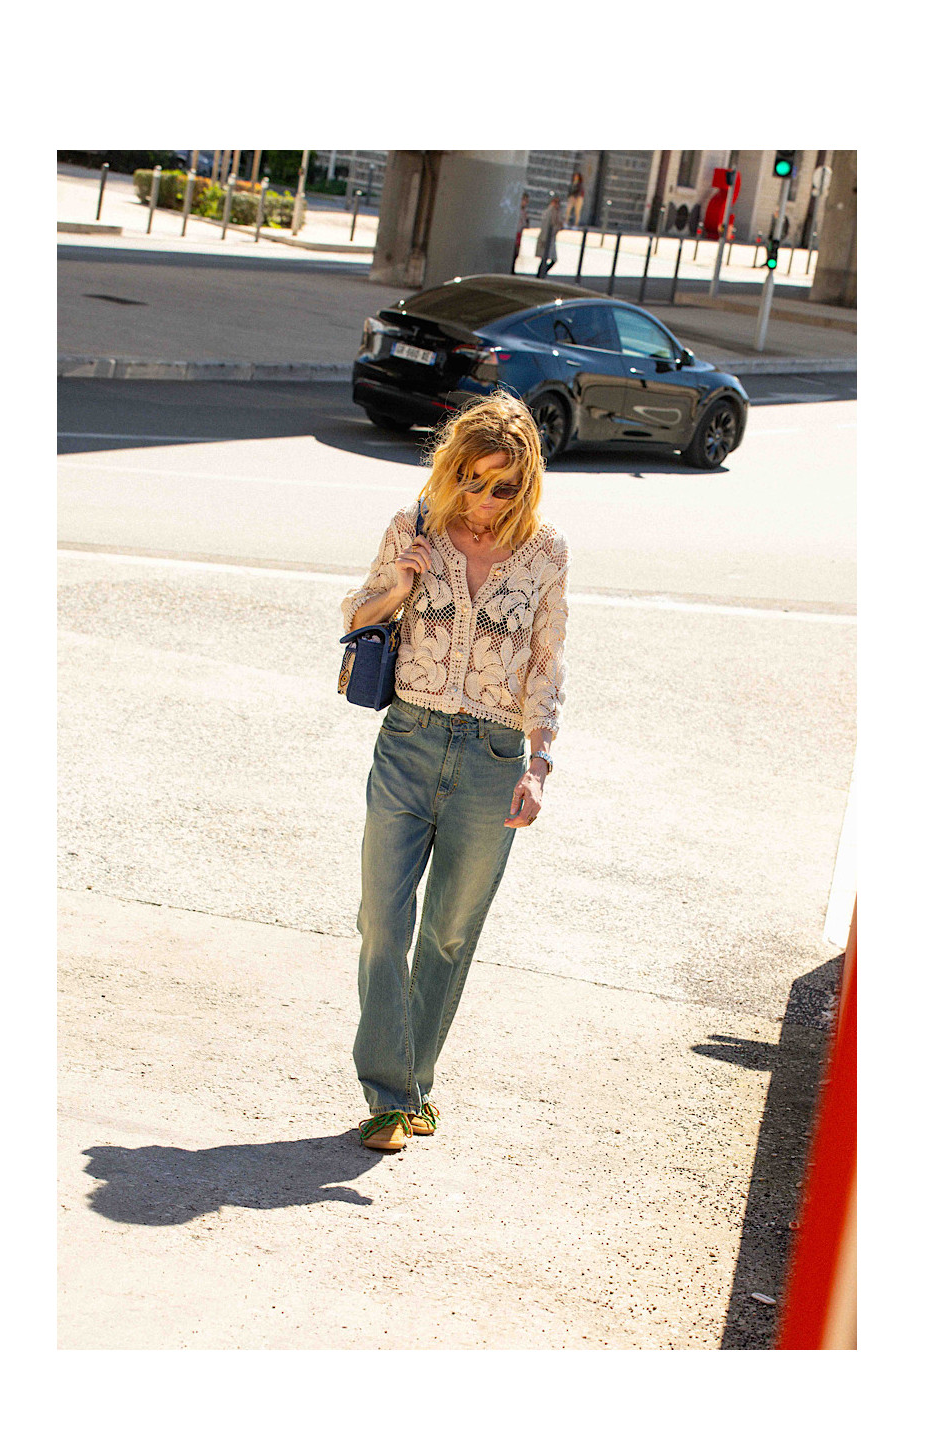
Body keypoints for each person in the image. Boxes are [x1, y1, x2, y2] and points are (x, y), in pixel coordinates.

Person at [340, 392, 570, 1151]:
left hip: (494, 758)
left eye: (504, 486)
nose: (485, 500)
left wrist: (539, 764)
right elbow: (356, 619)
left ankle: (414, 1086)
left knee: (448, 933)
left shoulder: (546, 553)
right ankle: (388, 1096)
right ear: (452, 471)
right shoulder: (415, 527)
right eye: (472, 481)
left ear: (526, 483)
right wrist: (397, 588)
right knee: (382, 921)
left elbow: (546, 662)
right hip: (409, 741)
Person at [534, 192, 562, 277]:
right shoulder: (549, 212)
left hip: (551, 238)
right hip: (546, 238)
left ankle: (541, 273)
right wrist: (544, 239)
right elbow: (546, 226)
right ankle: (540, 274)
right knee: (545, 258)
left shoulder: (556, 213)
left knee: (549, 258)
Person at [511, 190, 530, 272]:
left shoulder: (524, 212)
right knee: (514, 252)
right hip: (515, 233)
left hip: (519, 233)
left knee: (516, 252)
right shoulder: (516, 210)